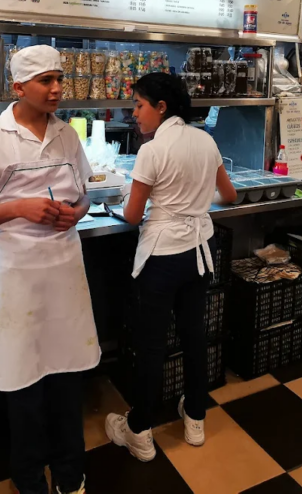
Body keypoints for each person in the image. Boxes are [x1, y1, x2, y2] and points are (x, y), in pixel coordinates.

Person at [0, 45, 98, 494]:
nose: (58, 89)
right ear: (18, 87)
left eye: (60, 78)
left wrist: (77, 212)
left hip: (64, 271)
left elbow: (84, 194)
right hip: (17, 275)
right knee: (24, 383)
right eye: (46, 81)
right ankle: (30, 478)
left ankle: (70, 476)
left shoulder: (68, 136)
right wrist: (19, 208)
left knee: (67, 377)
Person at [105, 72, 237, 461]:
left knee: (151, 344)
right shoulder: (206, 140)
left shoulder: (152, 150)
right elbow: (227, 196)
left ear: (161, 108)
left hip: (162, 258)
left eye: (139, 105)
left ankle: (139, 430)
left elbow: (132, 216)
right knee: (194, 335)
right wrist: (192, 199)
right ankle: (195, 418)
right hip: (200, 251)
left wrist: (132, 205)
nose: (134, 114)